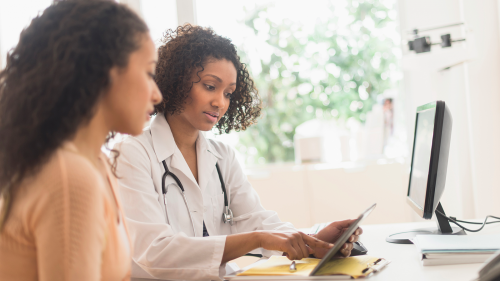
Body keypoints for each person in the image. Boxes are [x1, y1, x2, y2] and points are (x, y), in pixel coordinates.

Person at [115, 24, 362, 281]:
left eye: (228, 93)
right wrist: (257, 239)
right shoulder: (131, 154)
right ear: (177, 80)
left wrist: (313, 241)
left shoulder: (222, 157)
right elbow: (155, 253)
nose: (220, 102)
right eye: (210, 86)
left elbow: (257, 221)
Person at [0, 1, 161, 280]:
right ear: (106, 71)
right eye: (148, 73)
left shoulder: (96, 162)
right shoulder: (69, 177)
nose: (157, 94)